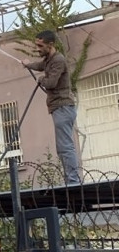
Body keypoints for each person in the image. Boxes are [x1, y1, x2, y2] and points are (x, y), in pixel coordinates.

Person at [21, 30, 81, 184]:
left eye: (40, 46)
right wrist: (28, 65)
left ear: (51, 45)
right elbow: (40, 65)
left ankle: (73, 181)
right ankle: (70, 179)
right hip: (58, 108)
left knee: (66, 147)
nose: (38, 49)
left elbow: (51, 83)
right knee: (62, 147)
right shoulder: (49, 59)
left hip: (63, 107)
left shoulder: (58, 60)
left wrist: (41, 79)